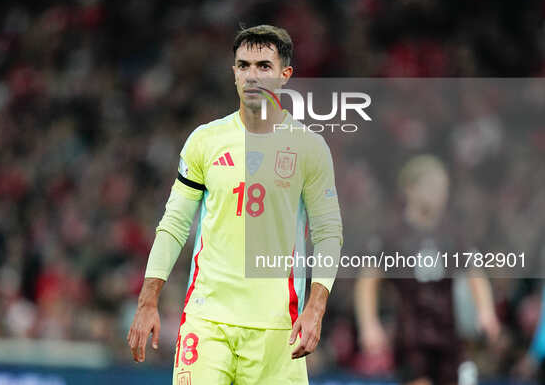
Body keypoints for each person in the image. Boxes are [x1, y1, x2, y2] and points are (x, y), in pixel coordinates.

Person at [127, 25, 343, 384]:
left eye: (263, 66)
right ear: (234, 73)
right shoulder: (205, 141)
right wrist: (147, 300)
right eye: (243, 65)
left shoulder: (309, 148)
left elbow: (329, 232)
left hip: (277, 330)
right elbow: (175, 223)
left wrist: (316, 306)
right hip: (207, 321)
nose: (252, 75)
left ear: (284, 75)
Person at [354, 155, 500, 385]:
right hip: (412, 337)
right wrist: (368, 324)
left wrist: (486, 311)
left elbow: (475, 272)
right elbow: (368, 280)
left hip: (449, 336)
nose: (440, 194)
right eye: (432, 187)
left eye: (443, 188)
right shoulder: (393, 236)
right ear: (410, 189)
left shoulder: (453, 234)